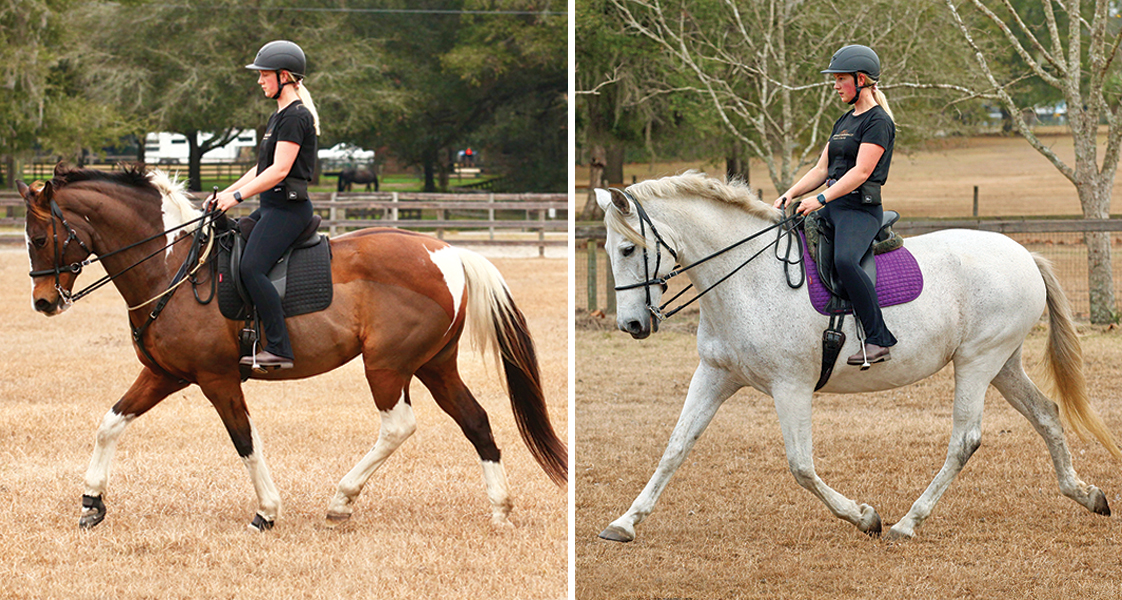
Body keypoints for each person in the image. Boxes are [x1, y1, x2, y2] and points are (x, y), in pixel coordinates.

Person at [772, 44, 897, 366]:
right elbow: (821, 170)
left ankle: (877, 339)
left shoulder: (878, 121)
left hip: (860, 210)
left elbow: (862, 172)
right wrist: (791, 193)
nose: (835, 86)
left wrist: (821, 198)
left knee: (845, 261)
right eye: (835, 80)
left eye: (840, 79)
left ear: (861, 80)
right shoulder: (843, 120)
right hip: (832, 206)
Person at [211, 40, 320, 369]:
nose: (259, 81)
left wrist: (238, 197)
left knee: (251, 268)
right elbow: (261, 168)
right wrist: (224, 194)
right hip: (272, 208)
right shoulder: (279, 117)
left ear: (284, 76)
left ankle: (280, 348)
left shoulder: (295, 117)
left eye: (263, 75)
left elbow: (280, 170)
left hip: (288, 211)